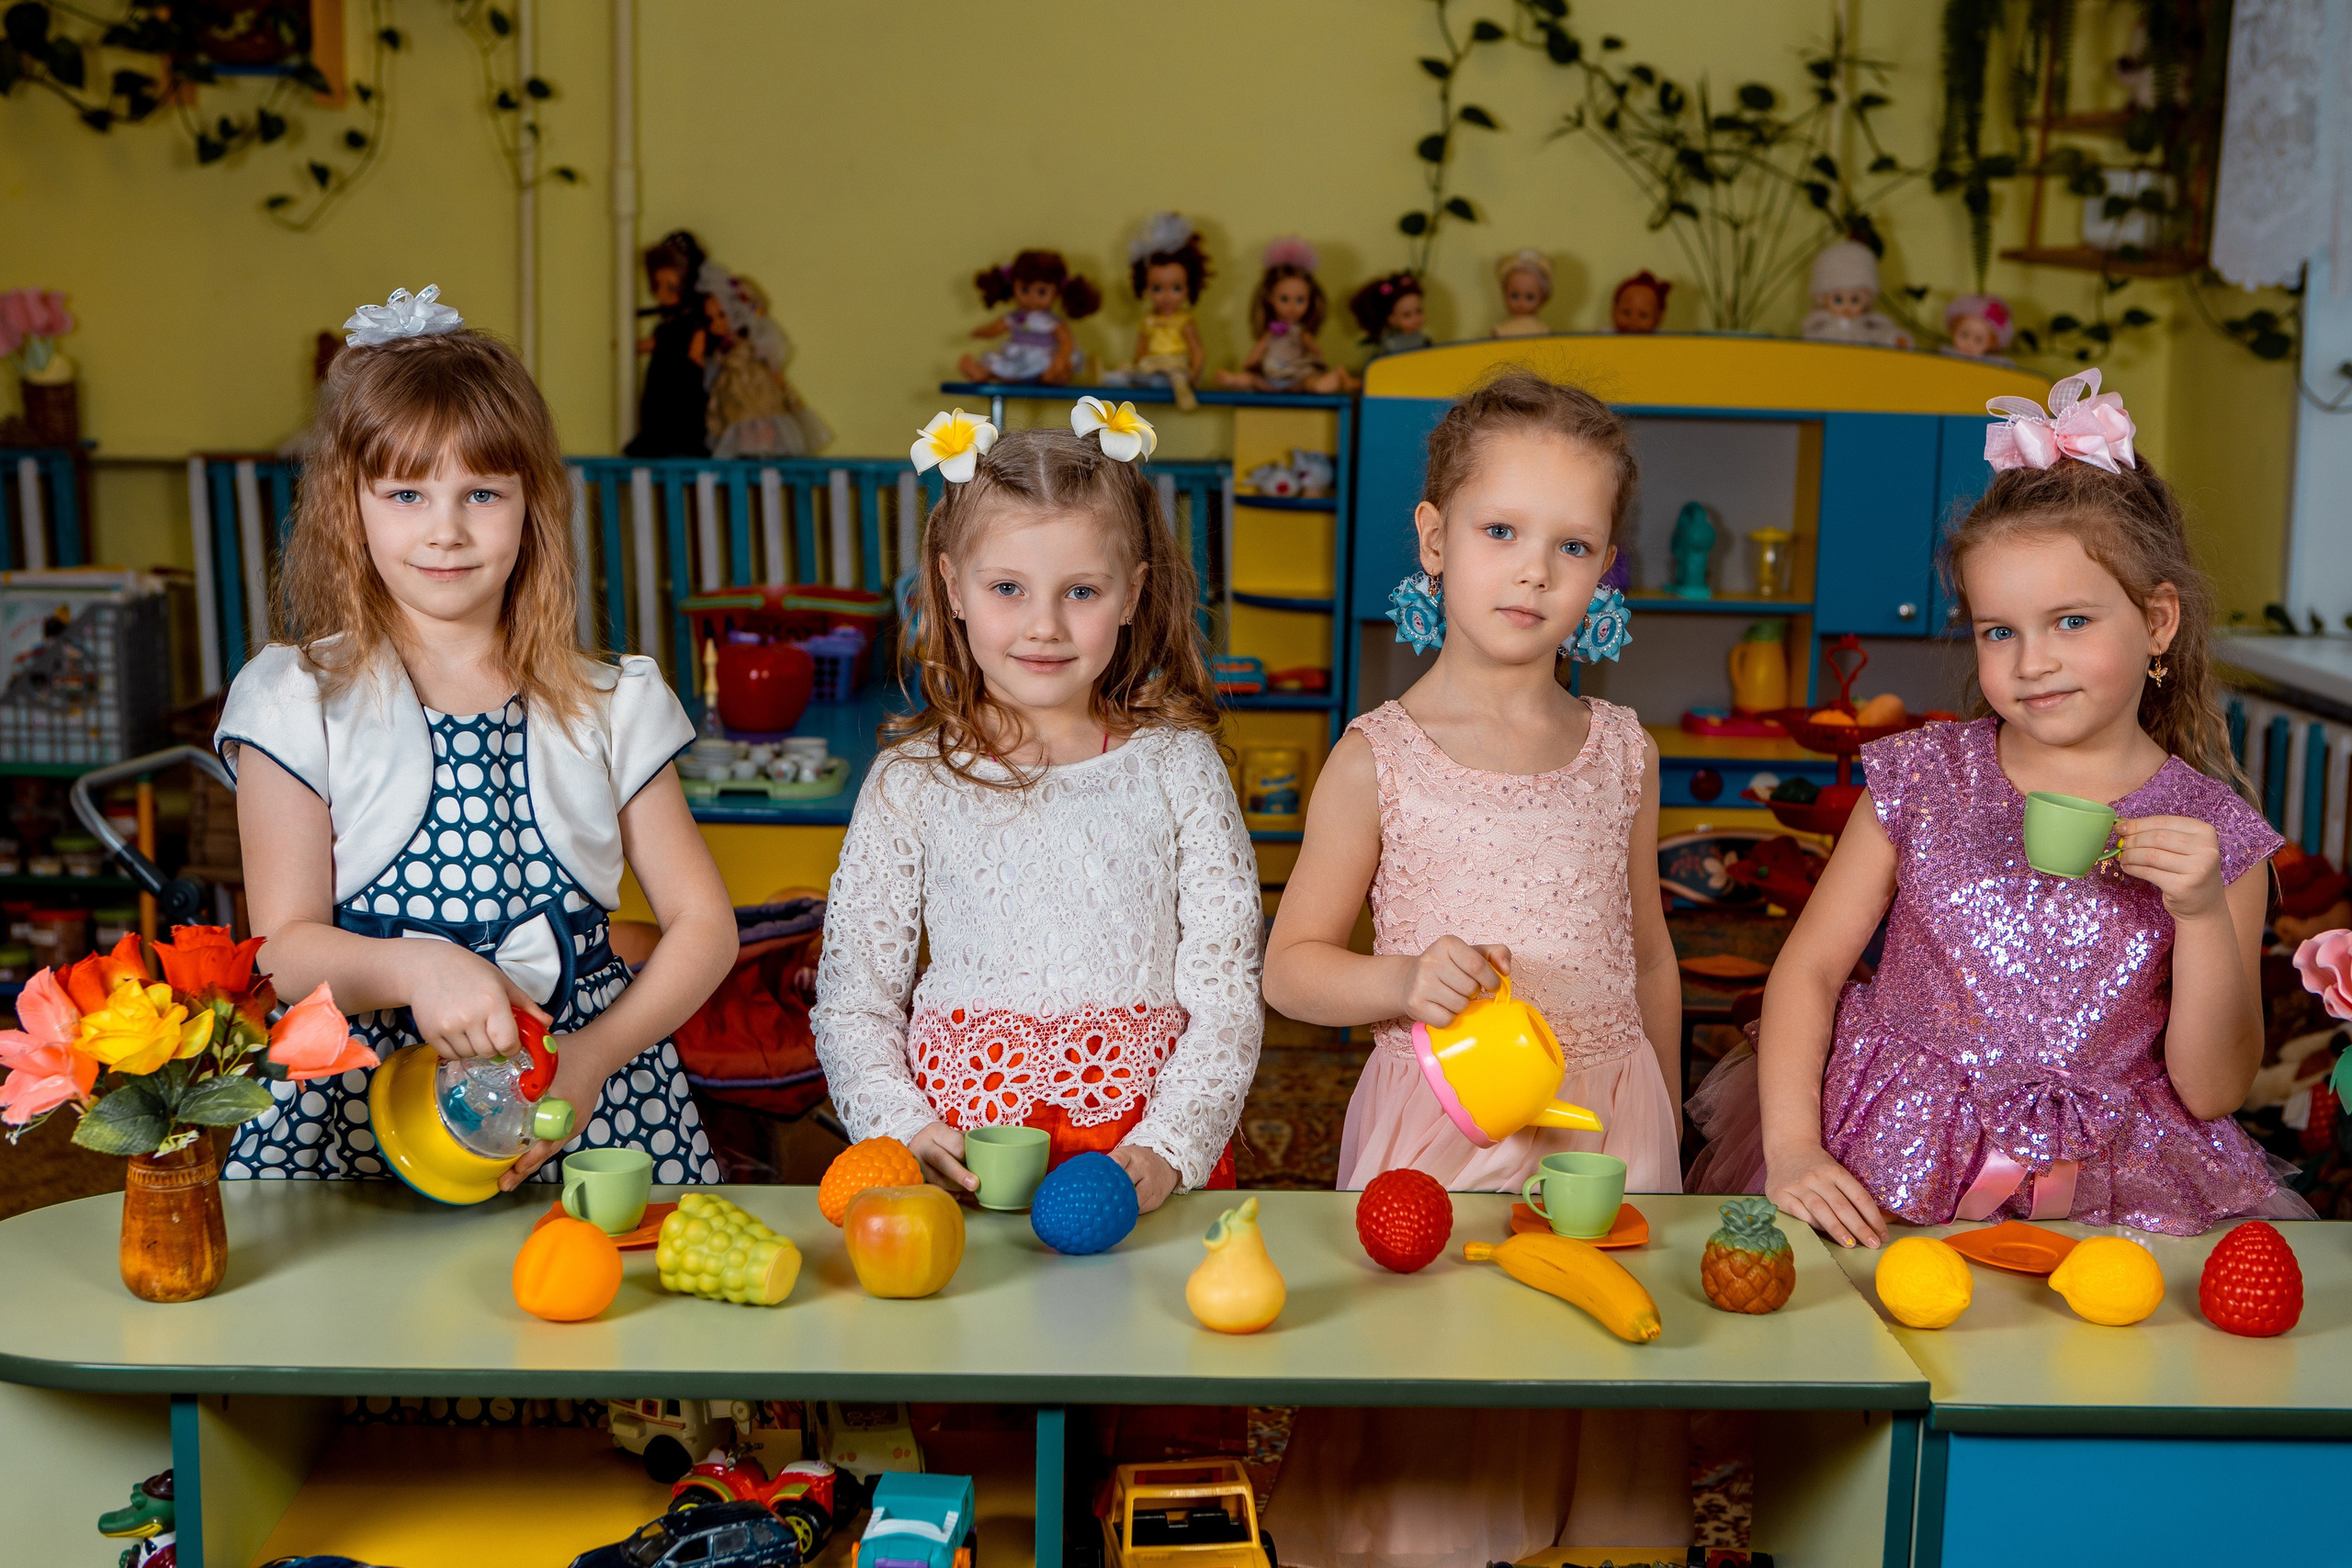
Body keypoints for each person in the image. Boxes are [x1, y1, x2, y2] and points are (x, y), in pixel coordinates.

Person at [1689, 369, 2314, 1241]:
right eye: (1999, 631)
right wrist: (1794, 1147)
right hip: (1891, 1156)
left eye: (2071, 621)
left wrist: (2203, 911)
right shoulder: (1920, 778)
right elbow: (1811, 969)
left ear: (2159, 622)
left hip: (2111, 1195)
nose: (2032, 662)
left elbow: (2212, 1090)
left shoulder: (2212, 837)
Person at [1260, 372, 1688, 1561]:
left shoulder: (1622, 750)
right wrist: (1398, 981)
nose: (1534, 569)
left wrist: (1669, 1135)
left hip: (1611, 1125)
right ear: (1435, 538)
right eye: (1501, 531)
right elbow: (1290, 966)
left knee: (1596, 1380)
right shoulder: (1380, 756)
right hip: (1439, 1128)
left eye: (1573, 543)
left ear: (1605, 569)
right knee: (1442, 1386)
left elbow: (1650, 950)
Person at [215, 286, 736, 1188]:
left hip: (583, 1095)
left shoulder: (607, 700)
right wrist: (421, 966)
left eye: (481, 493)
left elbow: (703, 928)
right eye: (408, 493)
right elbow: (287, 950)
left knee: (595, 1320)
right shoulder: (296, 700)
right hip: (356, 1102)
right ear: (352, 507)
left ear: (533, 503)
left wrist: (596, 1055)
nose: (446, 530)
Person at [810, 400, 1261, 1210]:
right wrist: (901, 1124)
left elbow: (1227, 995)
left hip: (1135, 1154)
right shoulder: (909, 780)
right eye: (1008, 588)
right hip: (964, 1153)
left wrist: (1172, 1142)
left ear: (1131, 594)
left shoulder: (1178, 769)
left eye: (1081, 590)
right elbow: (854, 998)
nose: (1044, 626)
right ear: (951, 585)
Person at [1213, 237, 1359, 394]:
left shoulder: (1300, 331)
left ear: (1311, 301)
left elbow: (1312, 346)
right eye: (1284, 299)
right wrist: (1250, 362)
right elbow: (1259, 348)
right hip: (1272, 371)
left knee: (1308, 383)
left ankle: (1331, 379)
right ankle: (1232, 379)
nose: (1292, 306)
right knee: (1254, 380)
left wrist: (1315, 350)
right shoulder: (1272, 330)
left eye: (1300, 300)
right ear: (1270, 298)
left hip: (1296, 373)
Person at [1103, 212, 1210, 412]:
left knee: (1176, 377)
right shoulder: (1148, 320)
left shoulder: (1183, 320)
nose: (1167, 297)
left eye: (1176, 288)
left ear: (1189, 288)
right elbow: (1141, 347)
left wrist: (1195, 374)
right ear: (1145, 288)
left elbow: (1196, 349)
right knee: (1131, 370)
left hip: (1176, 364)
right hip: (1152, 365)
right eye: (1157, 289)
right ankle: (1112, 377)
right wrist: (1138, 363)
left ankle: (1183, 391)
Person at [959, 249, 1101, 387]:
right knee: (1001, 366)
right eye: (1025, 290)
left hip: (1044, 356)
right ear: (1013, 286)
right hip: (1018, 357)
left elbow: (1066, 342)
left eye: (1041, 292)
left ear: (1056, 292)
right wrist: (983, 332)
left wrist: (1062, 356)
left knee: (1055, 367)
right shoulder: (1014, 317)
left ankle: (1053, 377)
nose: (1032, 298)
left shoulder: (1051, 321)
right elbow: (996, 328)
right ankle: (982, 372)